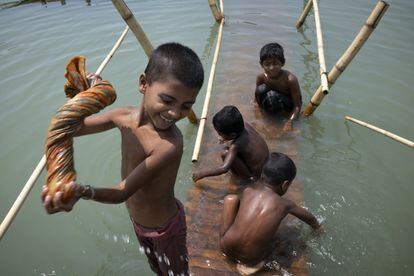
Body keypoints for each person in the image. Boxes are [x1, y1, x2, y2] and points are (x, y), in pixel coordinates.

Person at [41, 42, 204, 276]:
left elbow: (121, 192)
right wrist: (85, 95)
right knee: (158, 270)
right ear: (143, 83)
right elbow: (72, 129)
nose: (175, 113)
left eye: (186, 106)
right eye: (167, 101)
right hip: (139, 222)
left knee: (177, 274)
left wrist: (82, 191)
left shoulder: (168, 145)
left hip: (165, 228)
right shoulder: (121, 117)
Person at [219, 152, 323, 273]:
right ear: (285, 184)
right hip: (251, 259)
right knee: (285, 240)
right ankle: (259, 265)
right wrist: (318, 227)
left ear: (262, 176)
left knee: (230, 199)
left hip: (225, 246)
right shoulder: (285, 205)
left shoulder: (248, 190)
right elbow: (309, 218)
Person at [192, 105, 269, 183]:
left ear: (232, 135)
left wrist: (201, 174)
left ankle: (247, 179)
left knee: (225, 154)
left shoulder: (236, 145)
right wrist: (225, 137)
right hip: (267, 165)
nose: (219, 136)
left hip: (255, 176)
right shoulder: (245, 125)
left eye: (220, 134)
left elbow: (224, 169)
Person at [255, 43, 302, 132]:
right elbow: (256, 97)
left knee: (272, 95)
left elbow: (297, 105)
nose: (271, 68)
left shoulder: (290, 80)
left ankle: (279, 118)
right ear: (261, 64)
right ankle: (271, 118)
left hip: (287, 104)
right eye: (267, 64)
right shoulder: (261, 77)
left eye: (275, 63)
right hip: (271, 100)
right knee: (260, 89)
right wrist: (259, 115)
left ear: (283, 63)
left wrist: (290, 122)